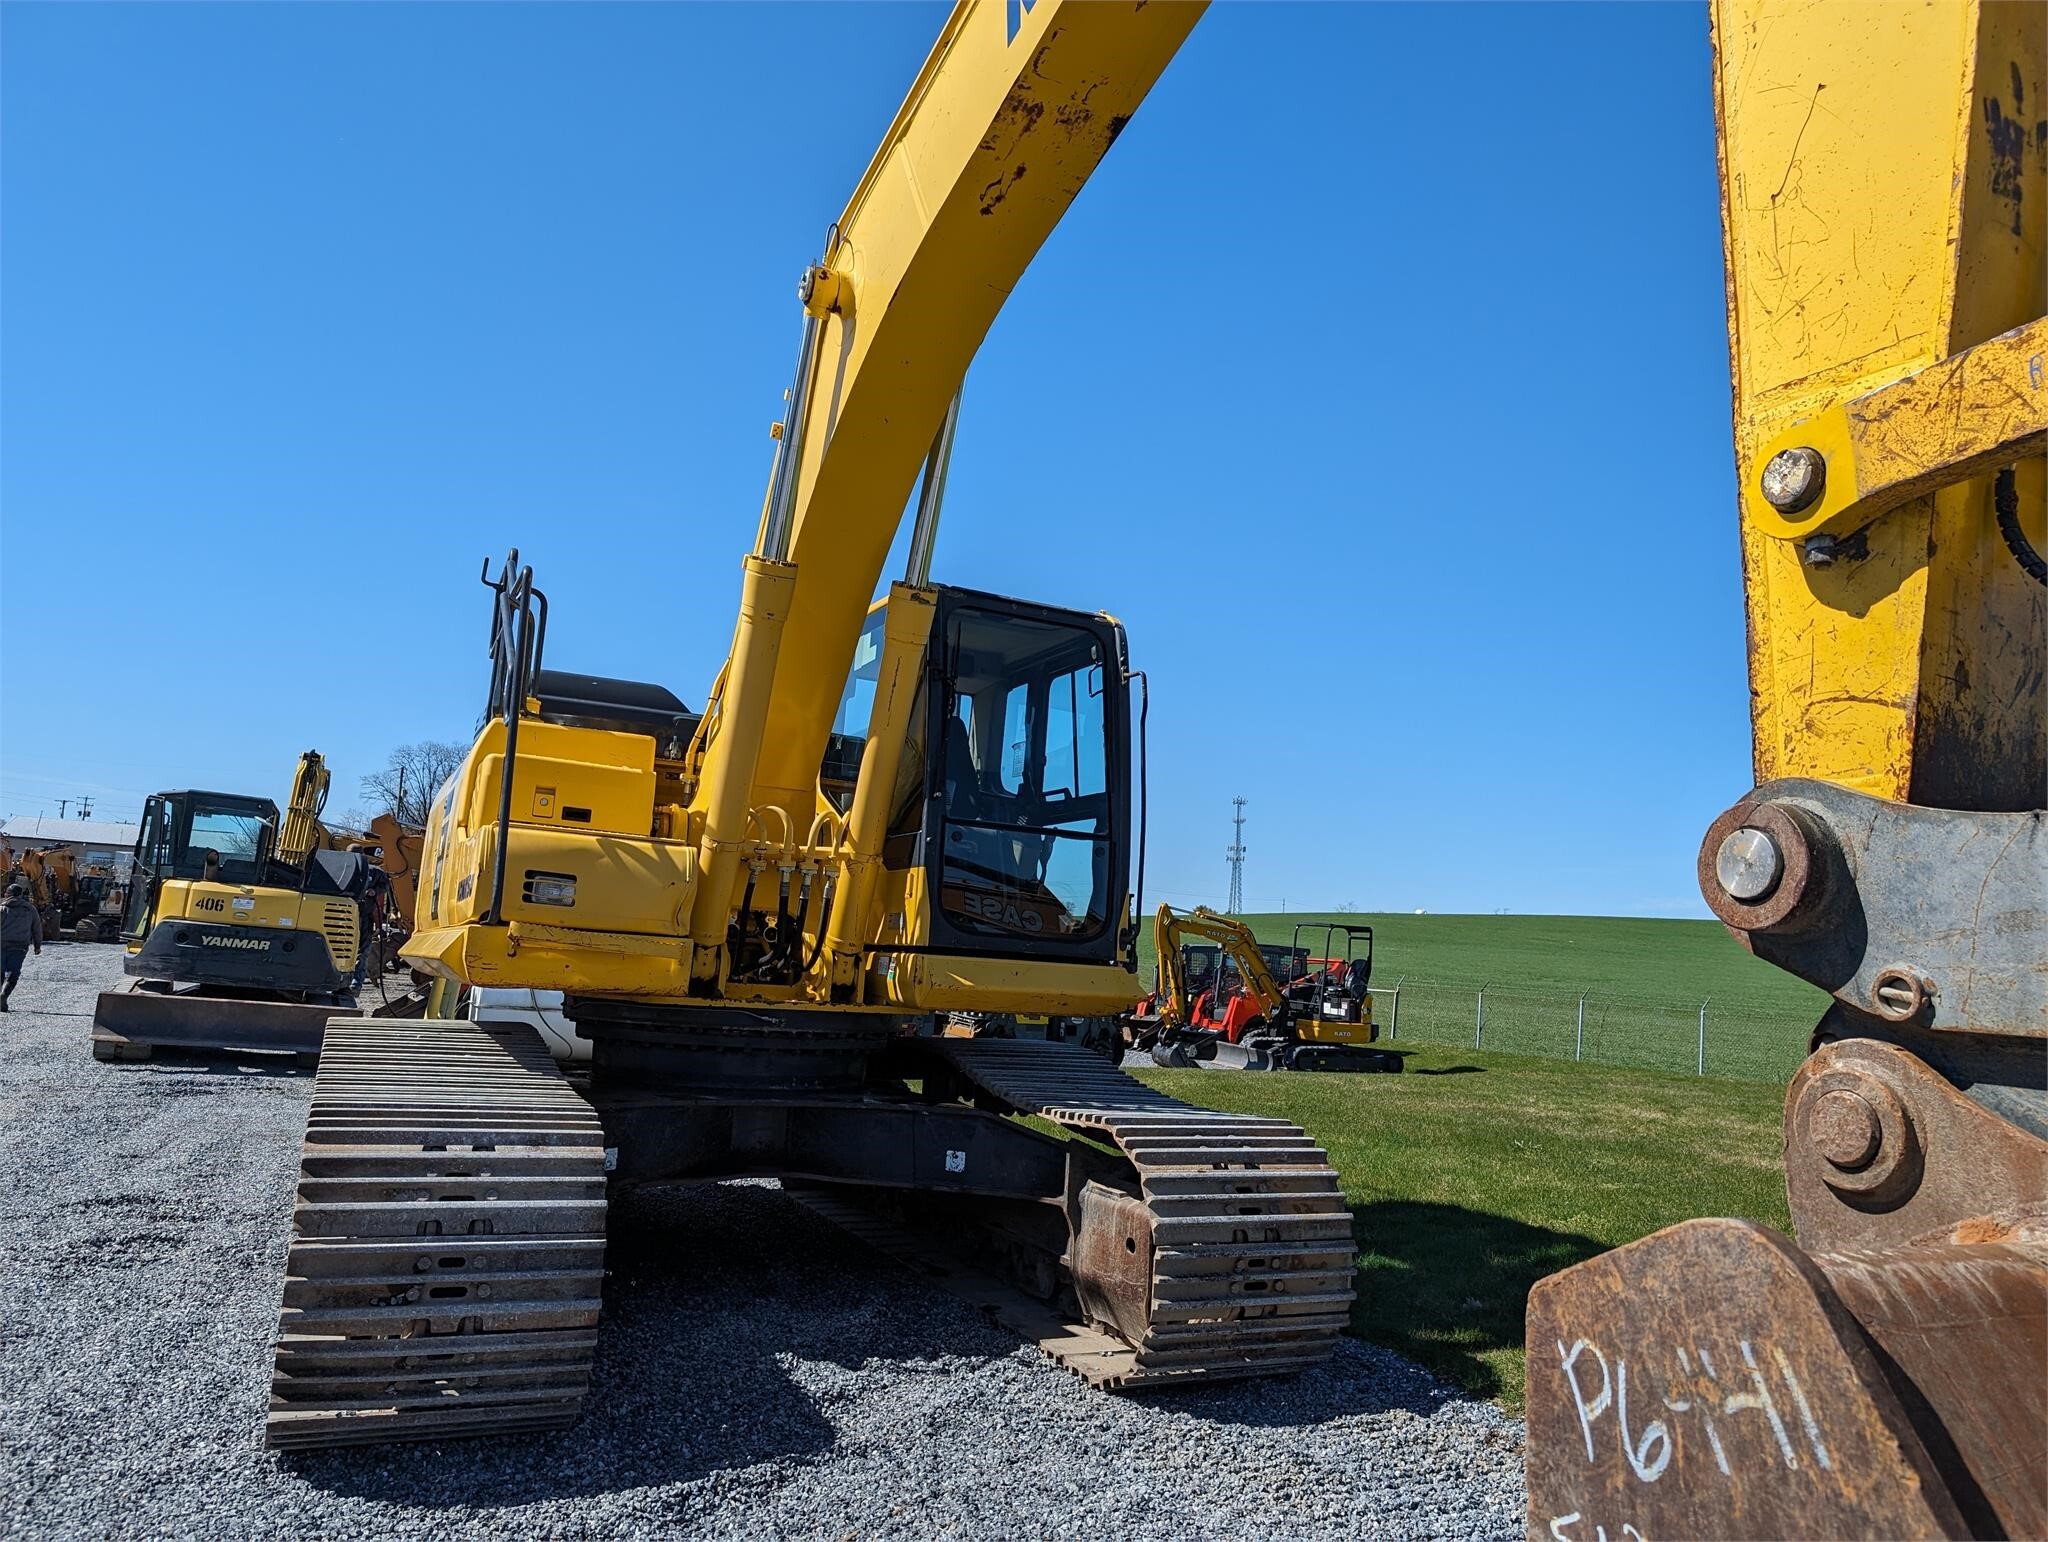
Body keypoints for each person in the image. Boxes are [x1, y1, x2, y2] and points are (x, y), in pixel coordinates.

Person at [1, 880, 44, 1012]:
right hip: (19, 947)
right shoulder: (30, 909)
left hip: (1, 945)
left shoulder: (2, 908)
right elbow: (37, 928)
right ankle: (3, 995)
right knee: (13, 974)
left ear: (8, 894)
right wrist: (37, 946)